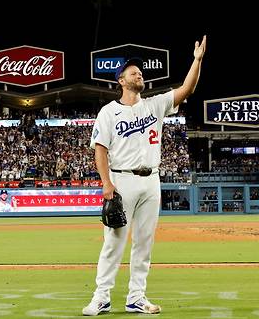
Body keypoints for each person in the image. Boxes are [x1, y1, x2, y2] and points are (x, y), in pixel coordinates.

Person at [82, 36, 207, 316]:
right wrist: (106, 183)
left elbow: (186, 89)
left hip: (152, 180)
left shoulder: (155, 105)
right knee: (114, 242)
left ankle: (136, 297)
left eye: (140, 72)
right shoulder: (109, 112)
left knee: (144, 243)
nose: (139, 75)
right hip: (121, 179)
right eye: (133, 73)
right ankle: (101, 297)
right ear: (121, 81)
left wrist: (196, 60)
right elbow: (100, 150)